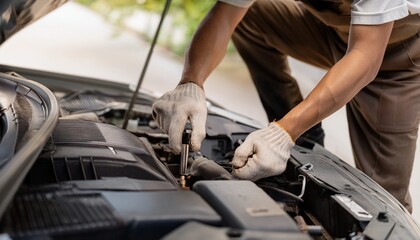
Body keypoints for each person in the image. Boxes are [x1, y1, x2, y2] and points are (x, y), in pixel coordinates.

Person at [152, 0, 420, 212]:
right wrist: (191, 82)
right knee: (252, 14)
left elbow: (365, 55)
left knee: (382, 202)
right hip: (329, 30)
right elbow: (226, 14)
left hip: (394, 55)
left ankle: (290, 133)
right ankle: (306, 138)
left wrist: (284, 132)